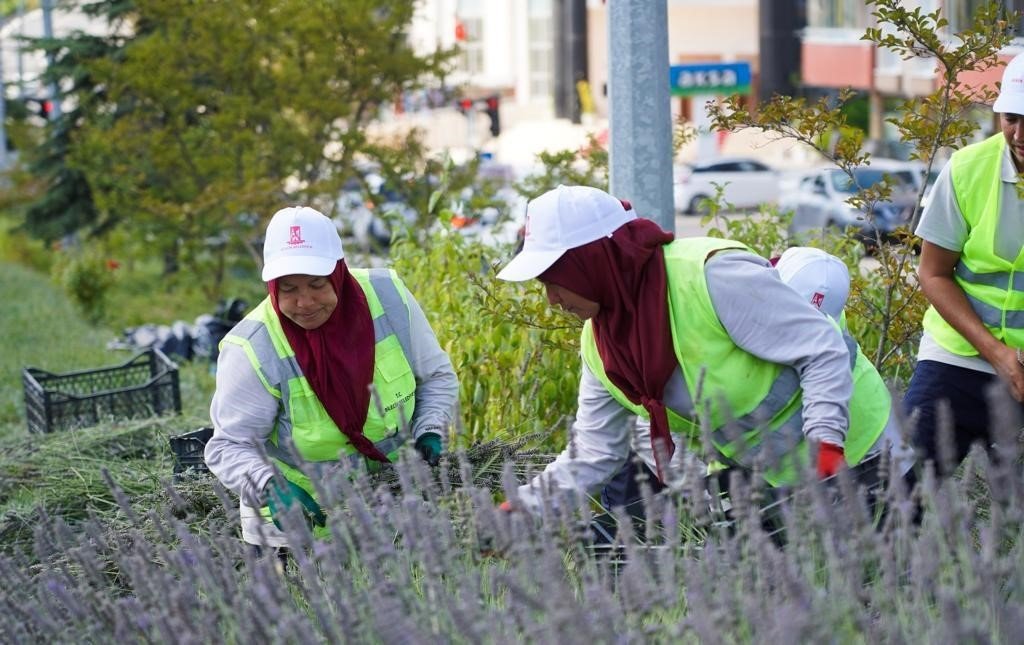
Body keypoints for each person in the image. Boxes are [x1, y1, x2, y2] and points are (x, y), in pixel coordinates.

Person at [495, 185, 907, 516]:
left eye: (556, 280)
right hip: (778, 481)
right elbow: (594, 452)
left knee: (889, 590)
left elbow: (822, 351)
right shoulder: (602, 346)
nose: (551, 299)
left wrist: (827, 452)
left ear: (593, 262)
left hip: (861, 449)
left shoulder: (711, 276)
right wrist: (518, 510)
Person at [205, 206, 459, 551]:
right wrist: (270, 487)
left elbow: (436, 378)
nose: (304, 302)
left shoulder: (388, 296)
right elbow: (229, 446)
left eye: (316, 284)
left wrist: (430, 429)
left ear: (338, 272)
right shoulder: (252, 346)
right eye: (288, 288)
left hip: (391, 507)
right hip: (296, 528)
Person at [903, 52, 1024, 477]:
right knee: (903, 491)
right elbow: (933, 273)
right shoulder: (968, 169)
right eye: (1011, 117)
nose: (1019, 133)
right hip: (959, 355)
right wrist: (997, 353)